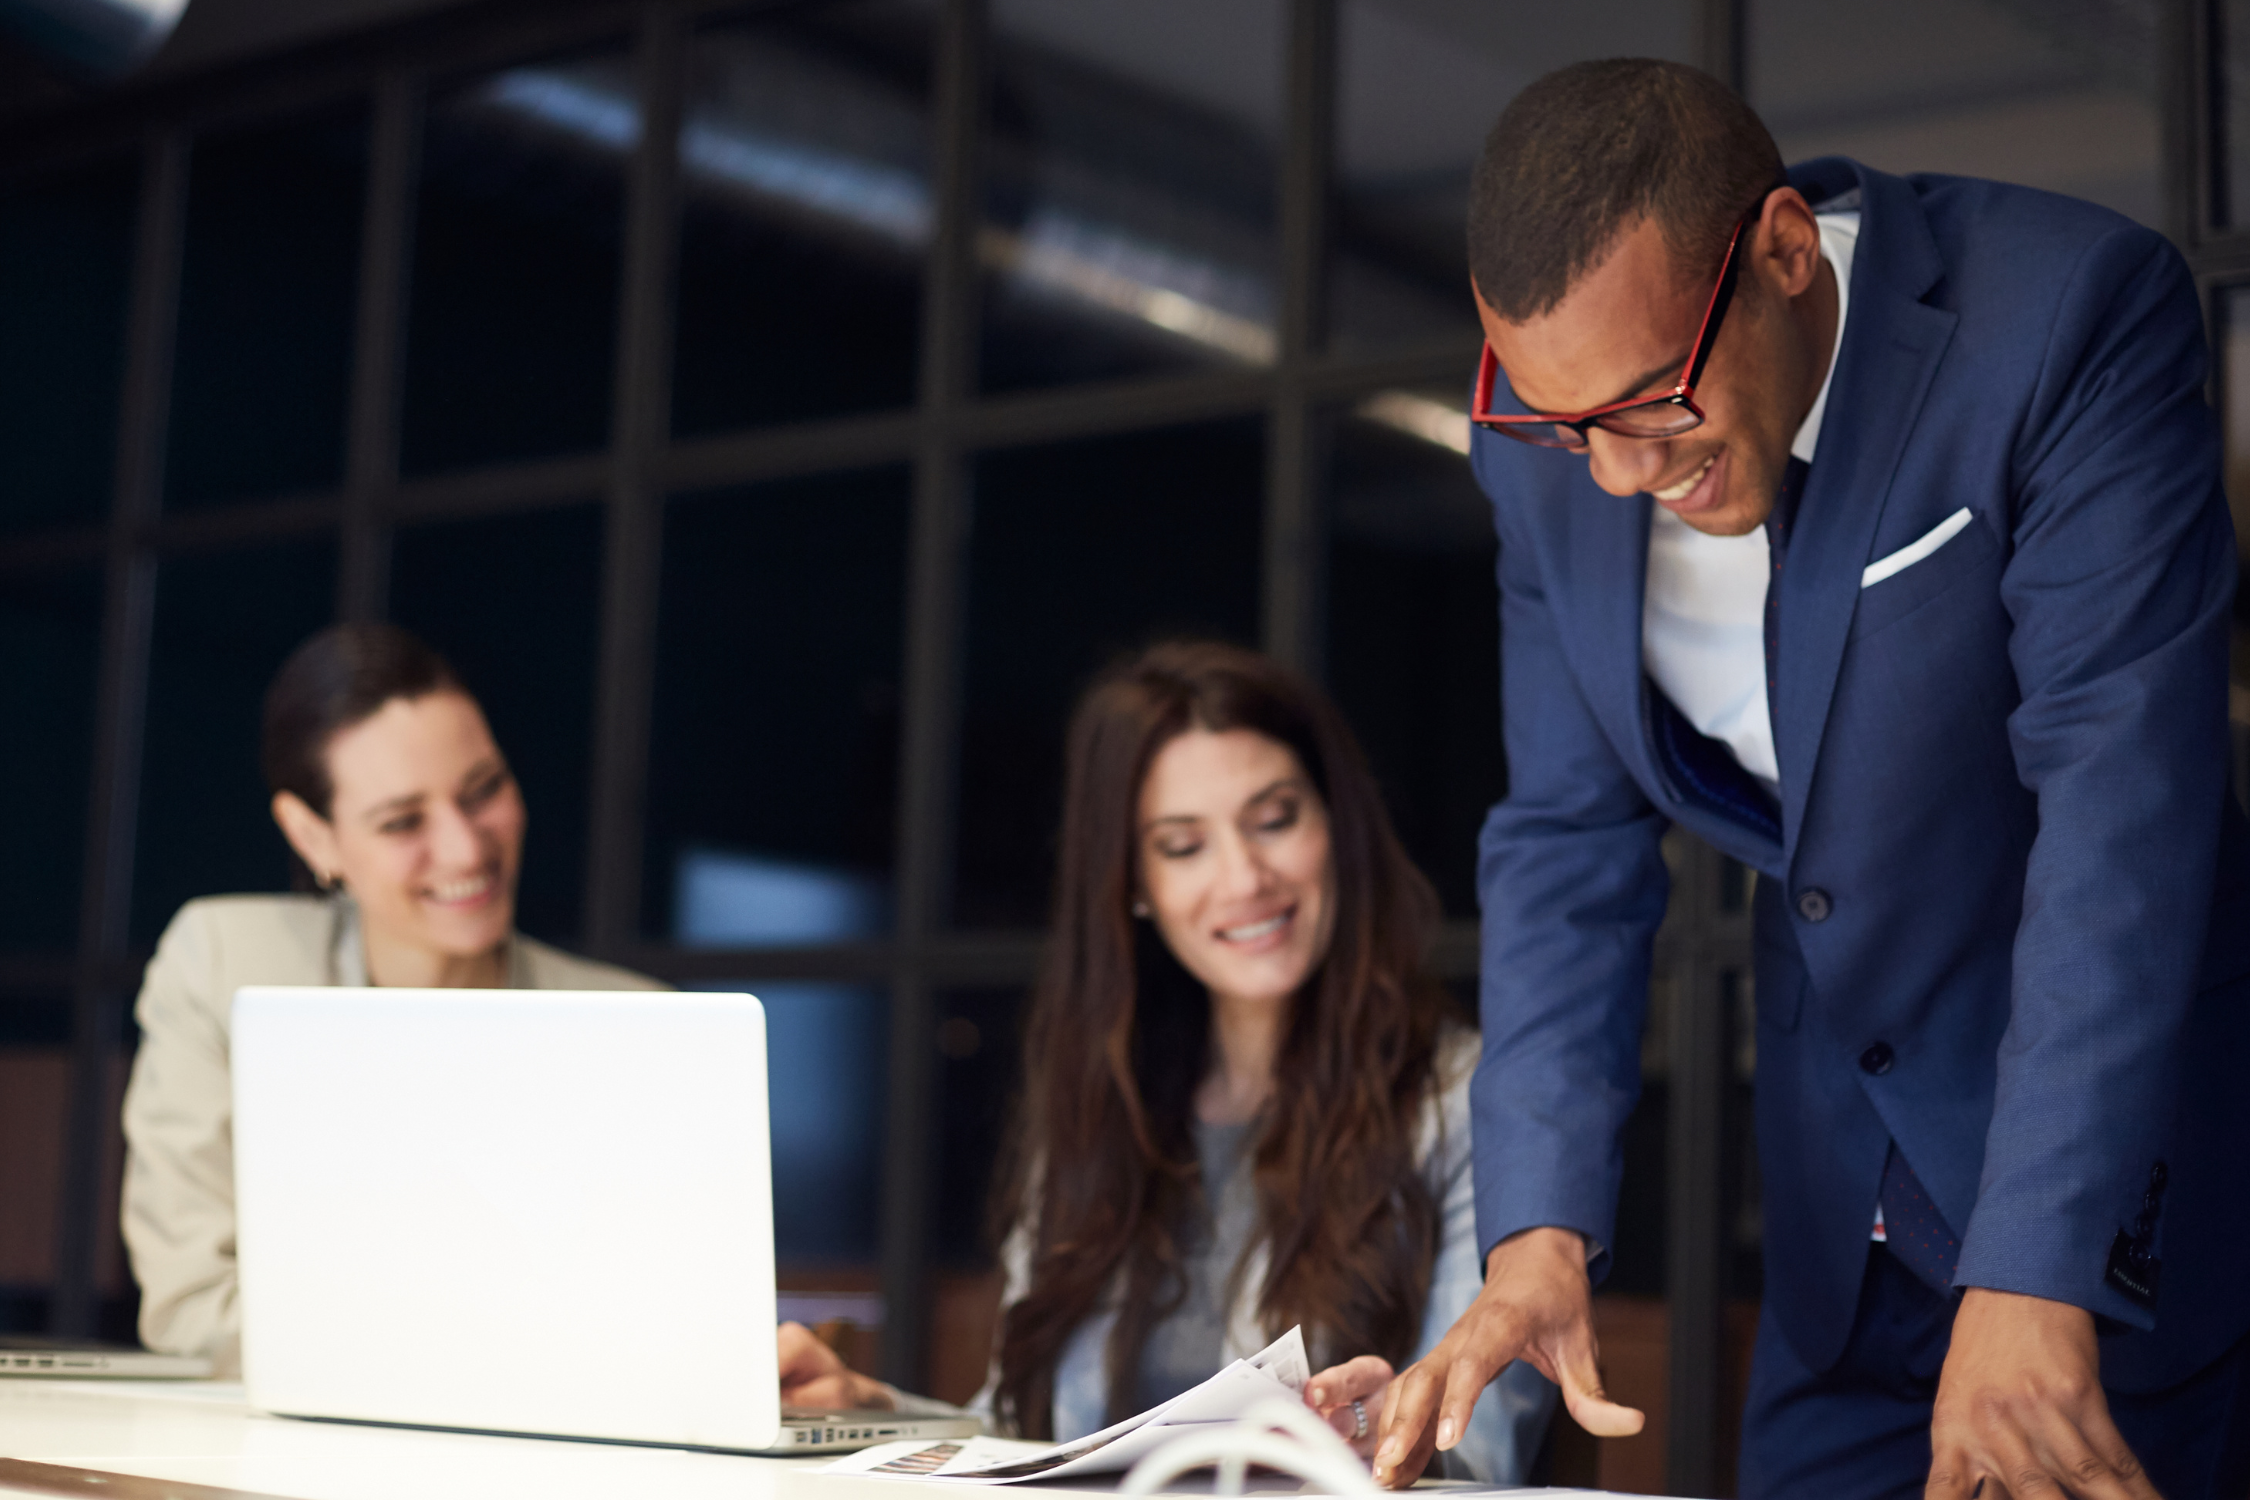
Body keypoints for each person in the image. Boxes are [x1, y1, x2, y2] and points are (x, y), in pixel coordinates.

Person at [1370, 59, 2250, 1500]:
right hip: (1837, 1233)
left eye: (1648, 406)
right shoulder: (1549, 452)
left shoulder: (2065, 318)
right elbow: (1564, 846)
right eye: (1557, 421)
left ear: (1782, 253)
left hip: (2101, 1208)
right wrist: (1535, 1239)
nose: (1605, 476)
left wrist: (2038, 1270)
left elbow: (2119, 825)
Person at [777, 640, 1554, 1480]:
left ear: (1336, 824)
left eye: (1275, 819)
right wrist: (867, 1415)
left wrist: (1392, 1444)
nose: (1244, 877)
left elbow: (1484, 1458)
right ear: (1136, 885)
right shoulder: (1102, 1102)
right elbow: (1029, 1430)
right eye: (1184, 846)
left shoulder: (1469, 1101)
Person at [120, 622, 666, 1373]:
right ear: (313, 839)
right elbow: (194, 1309)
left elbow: (671, 1336)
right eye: (403, 821)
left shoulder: (643, 1029)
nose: (466, 850)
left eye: (484, 791)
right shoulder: (223, 966)